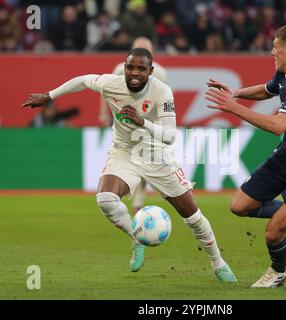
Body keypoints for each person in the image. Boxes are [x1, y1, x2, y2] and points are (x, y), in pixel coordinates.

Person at [21, 48, 237, 282]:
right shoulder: (111, 84)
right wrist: (50, 95)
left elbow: (170, 136)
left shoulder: (162, 92)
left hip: (157, 157)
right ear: (124, 68)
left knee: (193, 217)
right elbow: (83, 80)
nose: (134, 73)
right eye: (130, 67)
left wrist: (142, 122)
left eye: (141, 69)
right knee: (105, 199)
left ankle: (218, 263)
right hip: (124, 153)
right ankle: (136, 237)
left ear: (150, 71)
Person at [205, 24, 286, 288]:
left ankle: (278, 272)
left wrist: (235, 109)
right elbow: (268, 90)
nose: (271, 52)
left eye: (275, 47)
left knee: (273, 232)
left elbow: (278, 125)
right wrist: (236, 94)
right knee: (239, 206)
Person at [99, 36, 168, 214]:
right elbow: (104, 90)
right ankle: (129, 200)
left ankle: (137, 203)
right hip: (124, 124)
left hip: (146, 125)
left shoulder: (160, 73)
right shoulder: (118, 70)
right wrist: (103, 113)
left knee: (144, 161)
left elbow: (162, 99)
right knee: (128, 159)